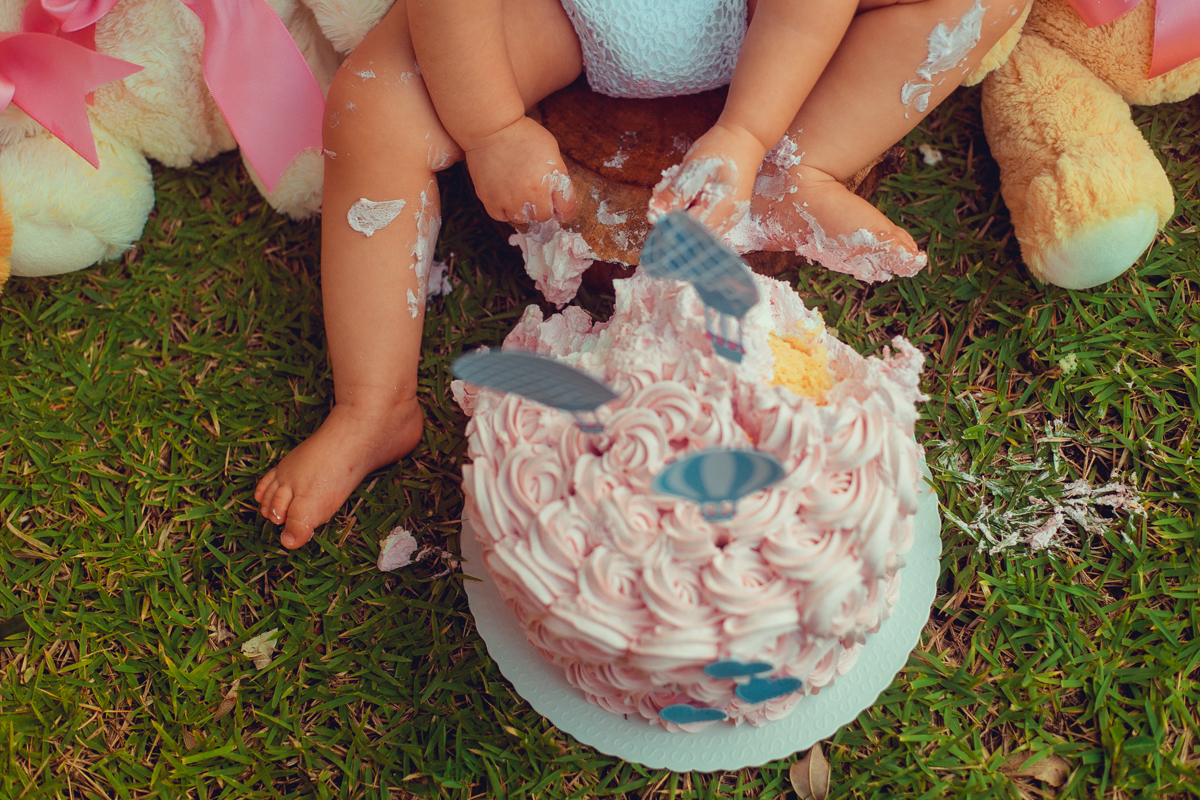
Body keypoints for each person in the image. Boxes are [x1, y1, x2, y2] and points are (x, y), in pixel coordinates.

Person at [255, 0, 1026, 549]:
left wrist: (750, 130)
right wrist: (491, 125)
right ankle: (372, 403)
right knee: (372, 104)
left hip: (766, 17)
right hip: (566, 16)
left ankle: (805, 162)